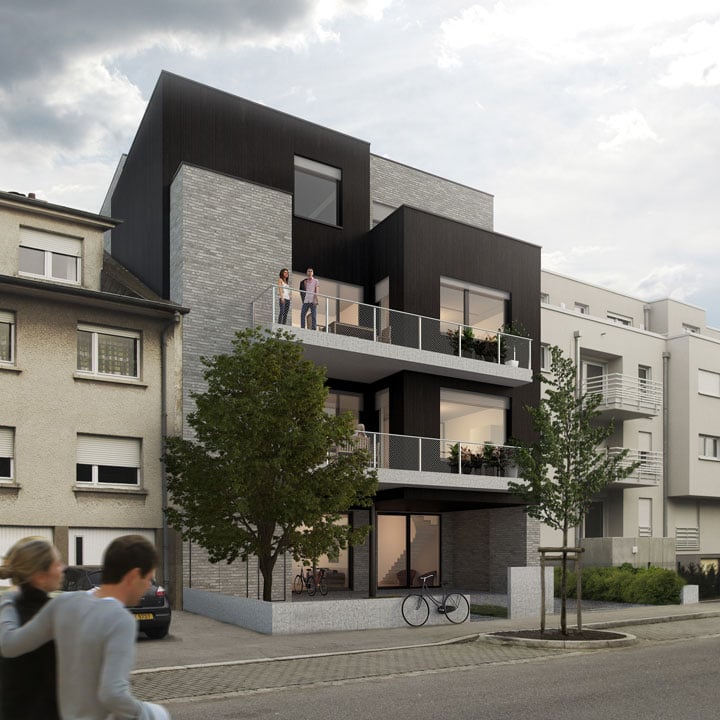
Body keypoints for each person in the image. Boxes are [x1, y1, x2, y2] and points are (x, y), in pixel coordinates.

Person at [0, 534, 170, 720]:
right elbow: (112, 694)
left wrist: (7, 600)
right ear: (134, 576)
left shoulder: (63, 603)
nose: (148, 587)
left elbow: (9, 645)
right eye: (148, 579)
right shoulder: (120, 620)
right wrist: (153, 714)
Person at [0, 537, 64, 720]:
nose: (63, 568)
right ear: (40, 575)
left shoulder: (9, 611)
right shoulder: (51, 617)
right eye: (57, 564)